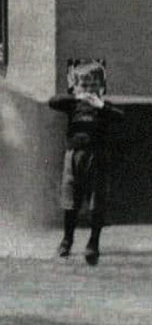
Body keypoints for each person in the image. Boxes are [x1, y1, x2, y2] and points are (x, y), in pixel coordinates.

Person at [49, 59, 123, 265]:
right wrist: (76, 96)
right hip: (74, 156)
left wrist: (101, 106)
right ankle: (67, 239)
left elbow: (120, 117)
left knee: (96, 202)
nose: (89, 90)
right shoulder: (73, 105)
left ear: (102, 87)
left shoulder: (103, 107)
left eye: (93, 86)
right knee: (70, 201)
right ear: (75, 86)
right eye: (84, 85)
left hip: (97, 157)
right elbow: (53, 102)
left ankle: (93, 243)